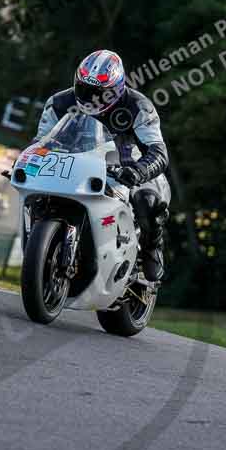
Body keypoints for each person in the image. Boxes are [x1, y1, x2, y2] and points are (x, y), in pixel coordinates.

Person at [36, 50, 171, 282]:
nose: (90, 98)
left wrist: (138, 171)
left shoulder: (140, 107)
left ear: (117, 89)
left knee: (147, 200)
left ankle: (152, 247)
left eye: (99, 92)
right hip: (78, 166)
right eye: (85, 89)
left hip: (128, 171)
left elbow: (158, 152)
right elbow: (40, 143)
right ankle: (45, 251)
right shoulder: (59, 103)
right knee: (40, 194)